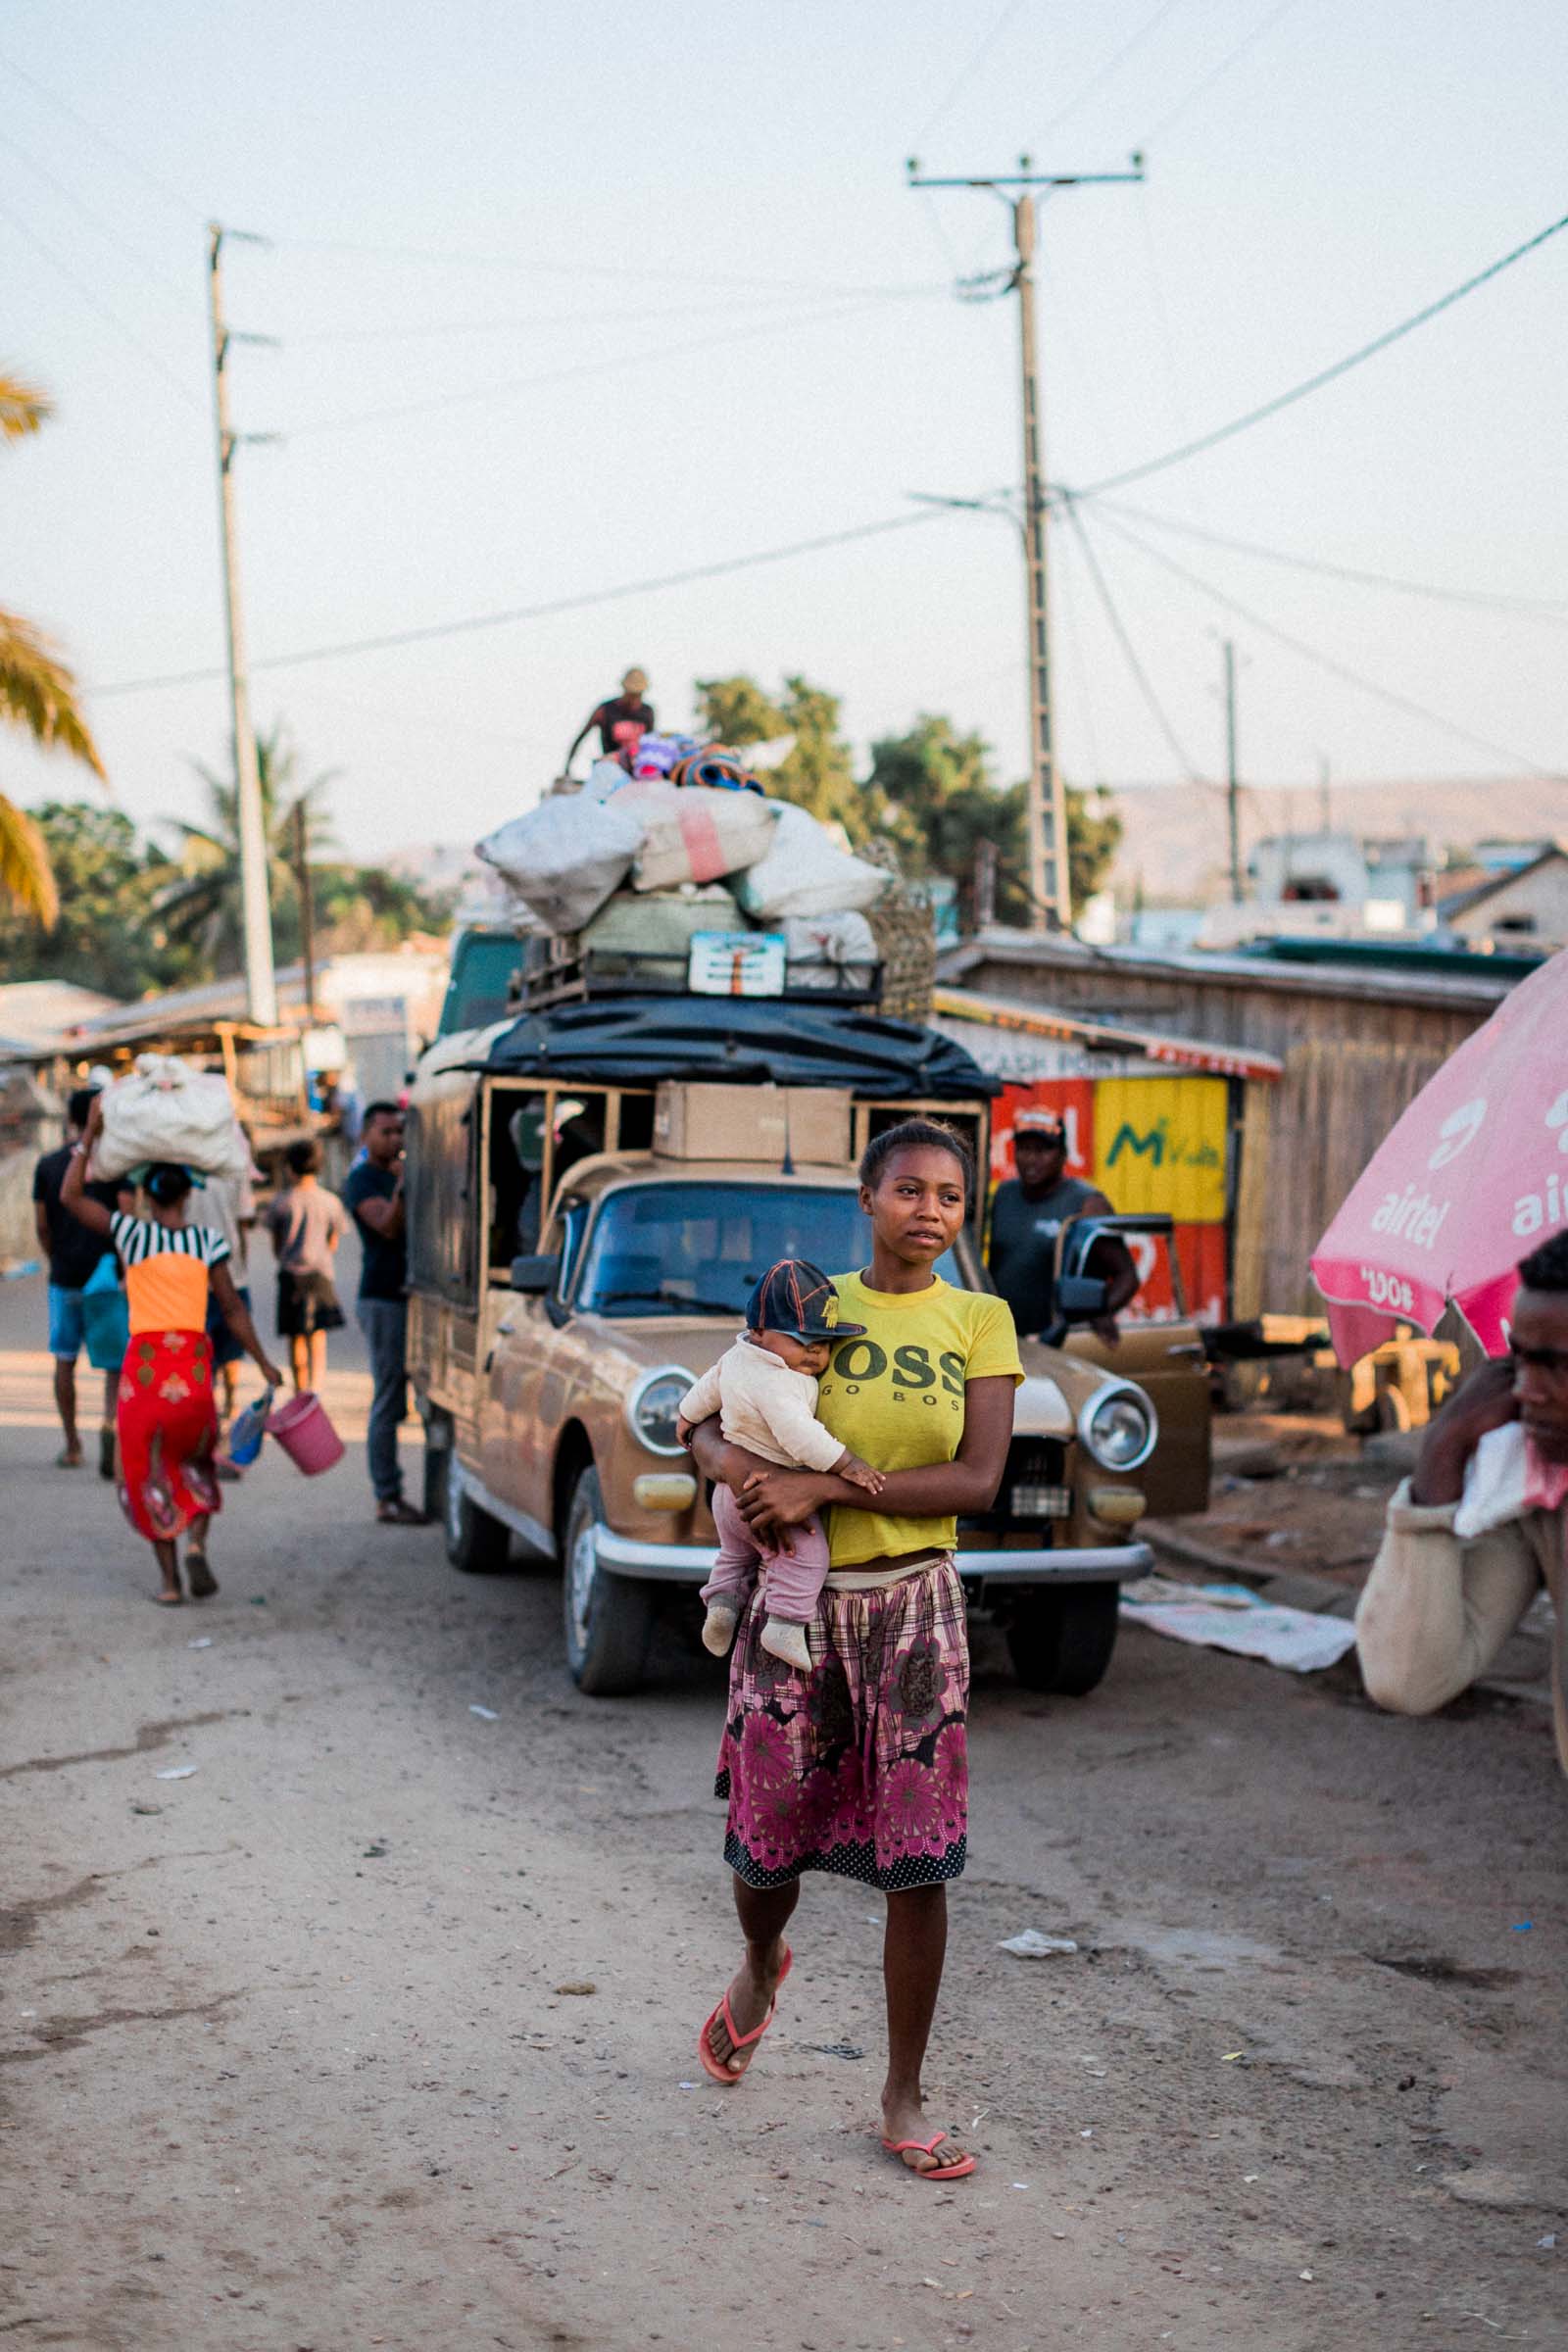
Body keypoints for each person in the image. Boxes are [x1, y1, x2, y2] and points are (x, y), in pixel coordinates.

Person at [686, 1119, 1021, 2181]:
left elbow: (976, 1482)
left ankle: (902, 2095)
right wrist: (745, 1470)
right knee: (764, 1843)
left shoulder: (981, 1317)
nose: (929, 1211)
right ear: (866, 1199)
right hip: (797, 1610)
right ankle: (758, 1961)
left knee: (917, 1865)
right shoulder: (805, 1302)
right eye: (908, 1190)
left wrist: (822, 1482)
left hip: (916, 1612)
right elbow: (696, 1424)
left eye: (950, 1197)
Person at [1356, 1230, 1568, 1771]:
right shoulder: (1538, 1491)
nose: (1527, 1390)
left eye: (1558, 1367)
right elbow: (1408, 1680)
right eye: (1519, 1363)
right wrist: (1442, 1454)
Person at [62, 1098, 282, 1605]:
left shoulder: (131, 1233)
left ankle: (168, 1582)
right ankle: (197, 1545)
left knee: (145, 1471)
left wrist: (89, 1135)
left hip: (144, 1374)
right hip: (192, 1371)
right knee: (197, 1462)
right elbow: (232, 1310)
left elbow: (72, 1197)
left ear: (144, 1192)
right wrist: (265, 1363)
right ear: (191, 1191)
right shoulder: (206, 1242)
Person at [677, 1258, 885, 1672]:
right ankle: (786, 1625)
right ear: (759, 1331)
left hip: (726, 1496)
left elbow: (702, 1396)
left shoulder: (735, 1358)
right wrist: (847, 1463)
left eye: (823, 1343)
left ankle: (720, 1604)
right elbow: (799, 1436)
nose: (813, 1351)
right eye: (800, 1338)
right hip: (770, 1497)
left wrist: (684, 1423)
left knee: (735, 1555)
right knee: (805, 1556)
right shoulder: (781, 1382)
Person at [342, 1101, 426, 1525]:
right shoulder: (362, 1181)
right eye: (386, 1132)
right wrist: (403, 1186)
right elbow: (388, 1226)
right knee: (388, 1397)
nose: (395, 1139)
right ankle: (387, 1495)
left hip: (413, 1295)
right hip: (383, 1298)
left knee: (421, 1396)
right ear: (366, 1136)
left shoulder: (400, 1173)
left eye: (400, 1132)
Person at [986, 1109, 1137, 1344]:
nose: (1031, 1158)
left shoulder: (1087, 1204)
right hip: (1002, 1340)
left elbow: (1126, 1275)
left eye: (1043, 1150)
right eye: (1024, 1149)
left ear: (1063, 1154)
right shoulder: (1004, 1195)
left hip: (1058, 1343)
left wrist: (1099, 1311)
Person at [32, 1087, 122, 1473]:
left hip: (65, 1276)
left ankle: (72, 1445)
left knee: (65, 1360)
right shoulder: (113, 1165)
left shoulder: (48, 1165)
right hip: (106, 1278)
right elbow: (126, 1219)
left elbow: (42, 1225)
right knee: (113, 1363)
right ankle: (110, 1423)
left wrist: (56, 1258)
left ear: (69, 1118)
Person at [266, 1139, 348, 1394]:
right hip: (321, 1273)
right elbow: (333, 1241)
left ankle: (299, 1388)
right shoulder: (330, 1201)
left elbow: (276, 1246)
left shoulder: (281, 1202)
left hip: (291, 1275)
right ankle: (316, 1387)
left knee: (295, 1336)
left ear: (289, 1168)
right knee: (318, 1335)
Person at [199, 1152, 259, 1451]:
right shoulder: (236, 1169)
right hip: (231, 1275)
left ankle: (213, 1423)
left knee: (204, 1360)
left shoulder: (180, 1171)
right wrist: (241, 1270)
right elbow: (243, 1225)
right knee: (231, 1349)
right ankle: (229, 1409)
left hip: (194, 1279)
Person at [564, 667, 655, 770]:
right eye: (632, 694)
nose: (635, 699)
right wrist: (567, 770)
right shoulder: (606, 710)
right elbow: (580, 738)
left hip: (636, 768)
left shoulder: (647, 712)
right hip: (611, 767)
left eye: (638, 694)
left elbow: (650, 742)